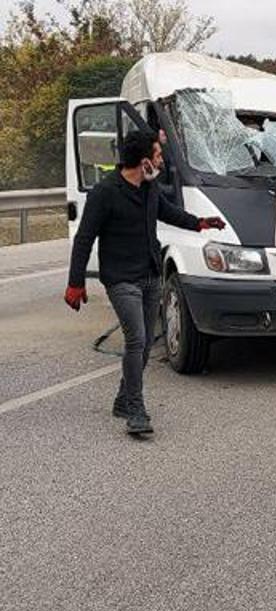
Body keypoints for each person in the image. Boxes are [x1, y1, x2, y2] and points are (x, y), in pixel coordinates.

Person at [65, 129, 226, 435]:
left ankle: (123, 398)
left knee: (144, 346)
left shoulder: (149, 189)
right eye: (157, 156)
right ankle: (136, 410)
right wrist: (76, 282)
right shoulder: (105, 193)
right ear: (144, 162)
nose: (161, 161)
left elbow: (168, 212)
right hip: (121, 278)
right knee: (137, 339)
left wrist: (201, 223)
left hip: (151, 276)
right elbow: (84, 239)